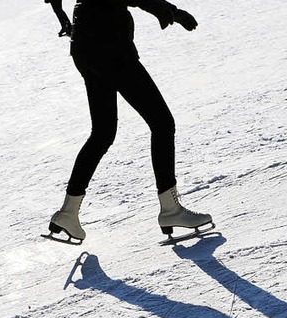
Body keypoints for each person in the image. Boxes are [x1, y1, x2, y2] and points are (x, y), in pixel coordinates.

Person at [48, 0, 213, 242]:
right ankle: (170, 209)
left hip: (85, 44)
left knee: (103, 133)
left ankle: (68, 212)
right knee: (162, 123)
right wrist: (171, 13)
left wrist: (62, 13)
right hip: (109, 45)